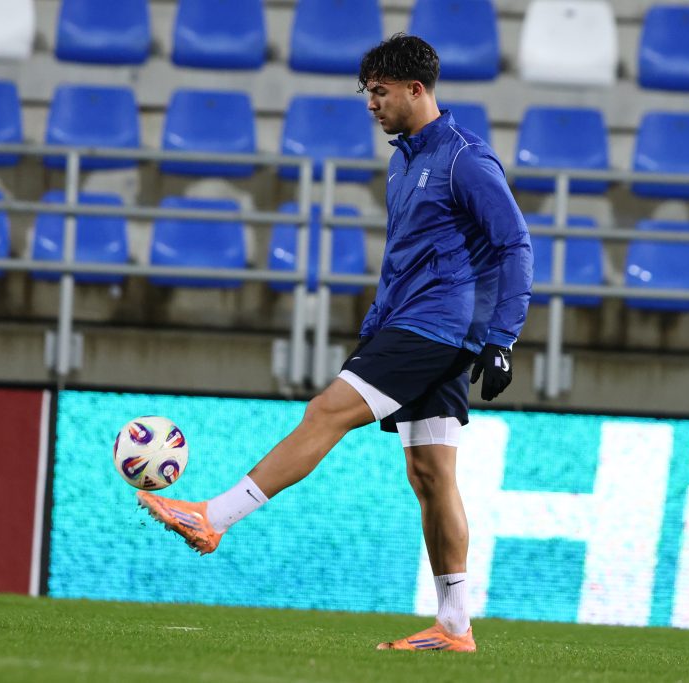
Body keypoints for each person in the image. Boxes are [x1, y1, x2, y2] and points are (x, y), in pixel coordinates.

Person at [138, 33, 532, 653]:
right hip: (415, 323)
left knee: (326, 412)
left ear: (416, 89)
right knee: (431, 475)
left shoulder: (465, 160)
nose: (370, 104)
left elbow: (515, 244)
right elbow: (403, 257)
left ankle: (213, 518)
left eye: (379, 92)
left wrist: (504, 337)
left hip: (434, 327)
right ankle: (455, 627)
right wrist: (376, 323)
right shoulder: (404, 161)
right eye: (367, 93)